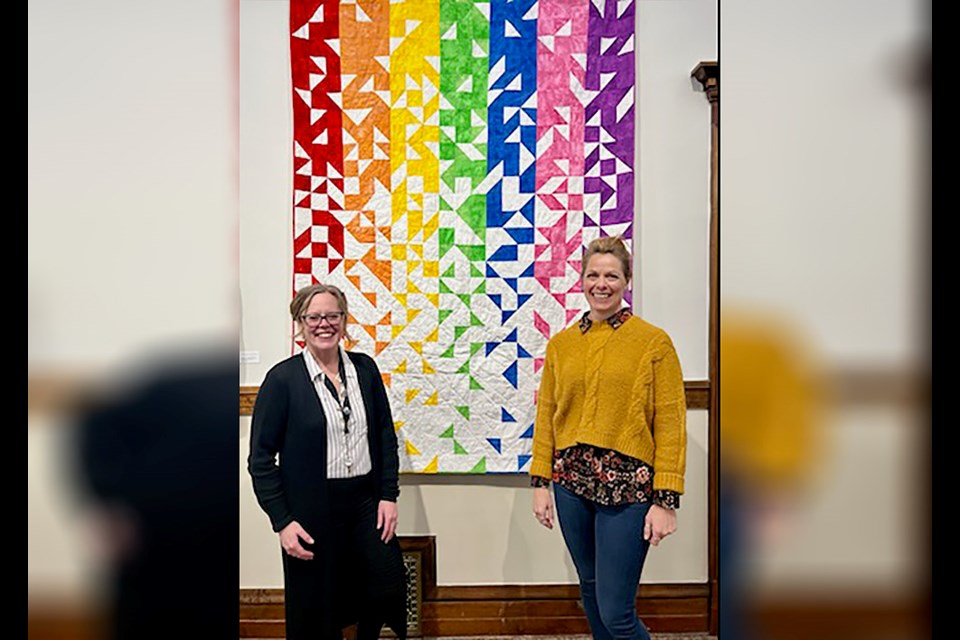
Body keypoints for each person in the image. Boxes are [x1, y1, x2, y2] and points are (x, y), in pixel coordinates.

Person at [530, 236, 687, 640]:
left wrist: (665, 500)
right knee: (592, 592)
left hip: (628, 488)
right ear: (581, 280)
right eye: (593, 275)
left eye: (612, 276)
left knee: (617, 611)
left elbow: (670, 424)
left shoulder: (653, 343)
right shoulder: (562, 345)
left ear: (627, 281)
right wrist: (540, 483)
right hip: (571, 485)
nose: (602, 284)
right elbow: (547, 414)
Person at [247, 284, 407, 640]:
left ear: (344, 320)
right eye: (314, 317)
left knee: (385, 585)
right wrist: (282, 521)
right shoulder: (282, 380)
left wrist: (388, 495)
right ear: (300, 323)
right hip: (311, 510)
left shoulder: (365, 370)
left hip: (365, 502)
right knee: (318, 608)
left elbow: (384, 435)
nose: (324, 324)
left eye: (332, 315)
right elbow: (260, 460)